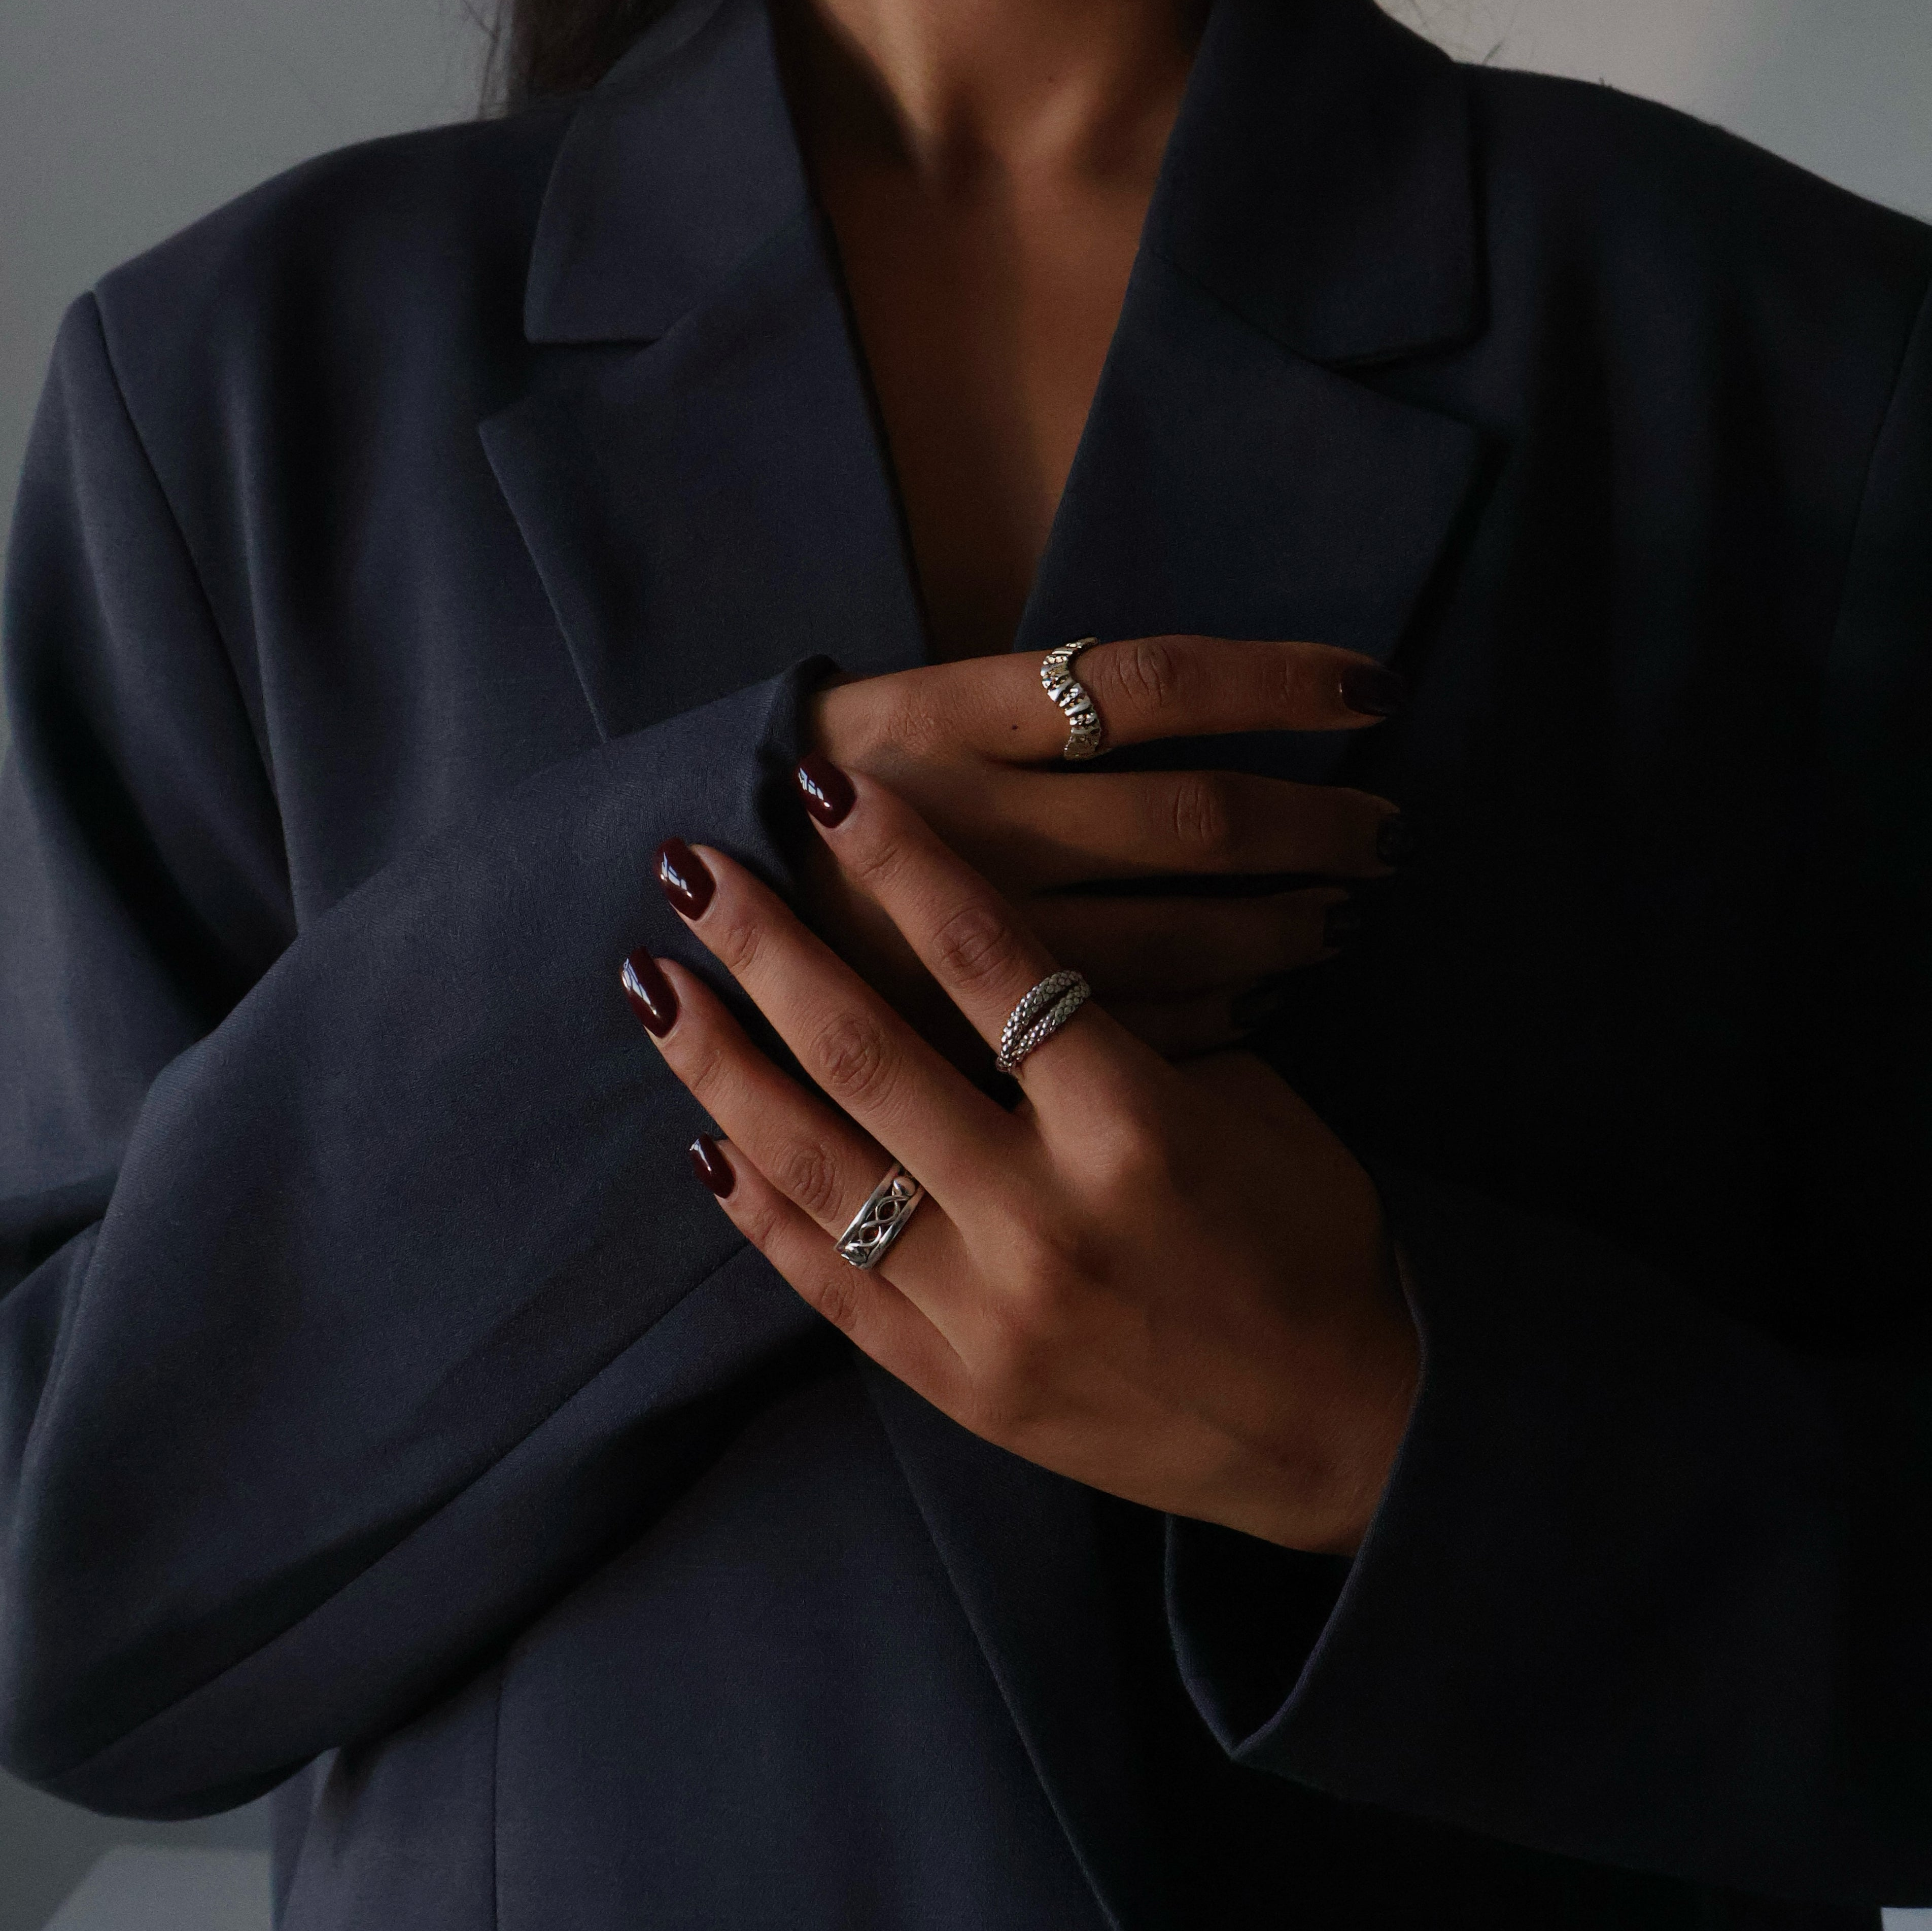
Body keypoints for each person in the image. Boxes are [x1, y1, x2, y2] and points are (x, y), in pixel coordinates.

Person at [1, 0, 1928, 1921]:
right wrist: (676, 961)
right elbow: (62, 1609)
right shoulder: (236, 385)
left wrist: (1379, 1429)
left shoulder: (1812, 364)